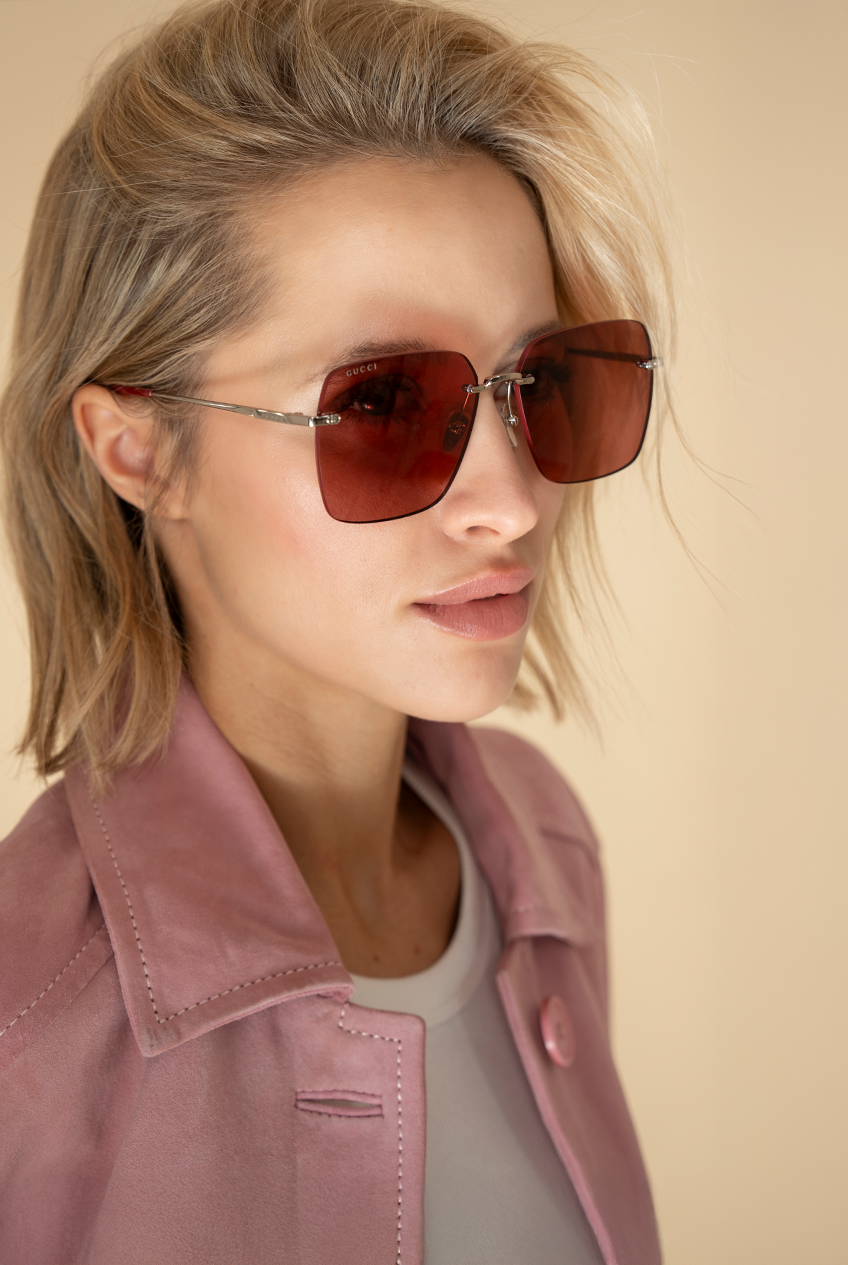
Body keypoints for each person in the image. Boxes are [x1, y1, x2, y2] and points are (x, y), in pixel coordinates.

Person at [0, 0, 674, 1261]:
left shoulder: (539, 853)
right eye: (379, 405)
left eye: (536, 382)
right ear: (139, 449)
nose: (510, 498)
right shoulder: (23, 1012)